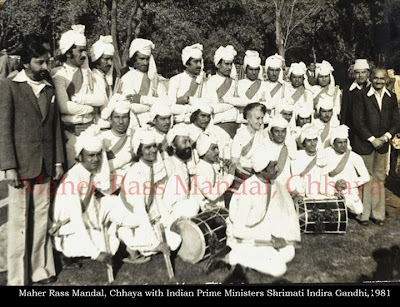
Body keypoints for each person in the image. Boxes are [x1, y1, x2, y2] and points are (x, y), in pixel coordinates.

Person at [0, 38, 64, 285]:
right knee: (19, 224)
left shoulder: (48, 88)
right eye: (39, 61)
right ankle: (18, 278)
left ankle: (40, 271)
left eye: (47, 60)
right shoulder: (9, 86)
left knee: (40, 220)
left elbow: (55, 128)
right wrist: (9, 165)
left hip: (46, 165)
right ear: (26, 62)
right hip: (21, 166)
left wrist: (58, 162)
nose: (45, 65)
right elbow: (4, 129)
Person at [205, 143, 300, 277]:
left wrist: (278, 235)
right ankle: (230, 257)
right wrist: (270, 238)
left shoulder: (267, 182)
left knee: (289, 251)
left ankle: (245, 258)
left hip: (258, 232)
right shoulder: (249, 191)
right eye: (273, 166)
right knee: (279, 268)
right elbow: (239, 230)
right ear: (262, 170)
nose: (277, 169)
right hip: (243, 238)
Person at [51, 125, 137, 269]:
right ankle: (66, 254)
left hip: (87, 219)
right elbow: (76, 220)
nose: (96, 159)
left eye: (98, 155)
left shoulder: (89, 172)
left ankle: (129, 234)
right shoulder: (73, 179)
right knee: (112, 244)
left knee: (113, 202)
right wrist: (96, 254)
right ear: (80, 156)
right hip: (68, 230)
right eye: (91, 155)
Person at [118, 128, 181, 264]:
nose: (153, 150)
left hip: (146, 219)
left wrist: (170, 222)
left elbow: (156, 199)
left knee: (176, 240)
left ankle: (138, 244)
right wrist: (156, 243)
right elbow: (139, 210)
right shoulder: (136, 173)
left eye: (154, 146)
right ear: (139, 151)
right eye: (148, 148)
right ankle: (128, 242)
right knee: (167, 242)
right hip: (132, 219)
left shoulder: (149, 167)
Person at [52, 24, 107, 169]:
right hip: (71, 133)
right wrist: (90, 108)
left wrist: (80, 101)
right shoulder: (59, 74)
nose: (84, 55)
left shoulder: (88, 73)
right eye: (80, 51)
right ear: (69, 52)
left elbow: (102, 99)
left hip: (90, 130)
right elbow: (65, 107)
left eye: (84, 50)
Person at [352, 67, 400, 226]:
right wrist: (372, 139)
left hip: (382, 145)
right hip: (365, 144)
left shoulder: (391, 97)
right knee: (366, 178)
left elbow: (396, 121)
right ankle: (363, 215)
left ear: (386, 80)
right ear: (370, 78)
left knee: (379, 179)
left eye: (382, 78)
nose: (379, 81)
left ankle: (378, 214)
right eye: (376, 78)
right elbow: (358, 121)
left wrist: (385, 137)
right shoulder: (361, 95)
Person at [320, 125, 370, 215]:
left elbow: (366, 177)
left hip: (348, 190)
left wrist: (347, 184)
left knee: (358, 210)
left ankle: (345, 209)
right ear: (333, 143)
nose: (343, 145)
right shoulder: (326, 154)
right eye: (340, 142)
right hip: (330, 189)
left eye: (345, 142)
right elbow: (322, 177)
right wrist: (333, 190)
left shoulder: (354, 156)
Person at [119, 38, 168, 129]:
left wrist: (142, 99)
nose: (145, 63)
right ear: (134, 59)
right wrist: (153, 104)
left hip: (155, 123)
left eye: (147, 59)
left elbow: (165, 101)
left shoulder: (154, 78)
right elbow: (131, 105)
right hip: (134, 123)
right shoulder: (127, 78)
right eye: (141, 59)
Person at [162, 123, 200, 220]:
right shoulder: (167, 164)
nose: (188, 145)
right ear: (173, 145)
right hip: (169, 214)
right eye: (184, 142)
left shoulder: (185, 164)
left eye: (189, 141)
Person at [191, 133, 236, 211]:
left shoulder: (212, 165)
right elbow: (212, 195)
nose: (217, 151)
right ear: (204, 151)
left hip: (216, 209)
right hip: (204, 212)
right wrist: (230, 176)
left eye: (217, 148)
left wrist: (226, 171)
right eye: (213, 149)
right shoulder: (199, 169)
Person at [205, 45, 243, 138]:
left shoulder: (235, 82)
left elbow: (243, 102)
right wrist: (234, 103)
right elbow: (214, 107)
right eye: (226, 64)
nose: (229, 67)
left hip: (236, 126)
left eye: (231, 64)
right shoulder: (211, 82)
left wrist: (225, 100)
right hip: (219, 126)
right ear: (218, 64)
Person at [99, 95, 133, 193]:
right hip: (107, 190)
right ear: (110, 119)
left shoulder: (135, 137)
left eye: (124, 117)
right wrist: (130, 157)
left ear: (129, 119)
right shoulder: (102, 138)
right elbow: (98, 167)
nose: (121, 122)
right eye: (117, 117)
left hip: (130, 188)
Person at [167, 43, 207, 115]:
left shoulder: (203, 80)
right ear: (187, 63)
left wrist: (188, 100)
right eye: (195, 62)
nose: (199, 65)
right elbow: (171, 105)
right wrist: (193, 107)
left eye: (200, 61)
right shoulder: (175, 80)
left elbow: (206, 103)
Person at [340, 59, 370, 144]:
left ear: (368, 73)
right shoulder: (348, 90)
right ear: (354, 74)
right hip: (353, 134)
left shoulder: (372, 89)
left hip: (369, 134)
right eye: (357, 73)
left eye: (363, 72)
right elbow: (344, 113)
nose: (360, 75)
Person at [237, 50, 265, 123]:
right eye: (251, 69)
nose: (253, 72)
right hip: (243, 121)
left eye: (256, 70)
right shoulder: (239, 84)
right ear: (245, 70)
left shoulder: (264, 85)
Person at [89, 35, 117, 106]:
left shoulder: (111, 78)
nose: (110, 63)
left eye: (111, 59)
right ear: (97, 59)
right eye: (106, 59)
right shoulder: (91, 78)